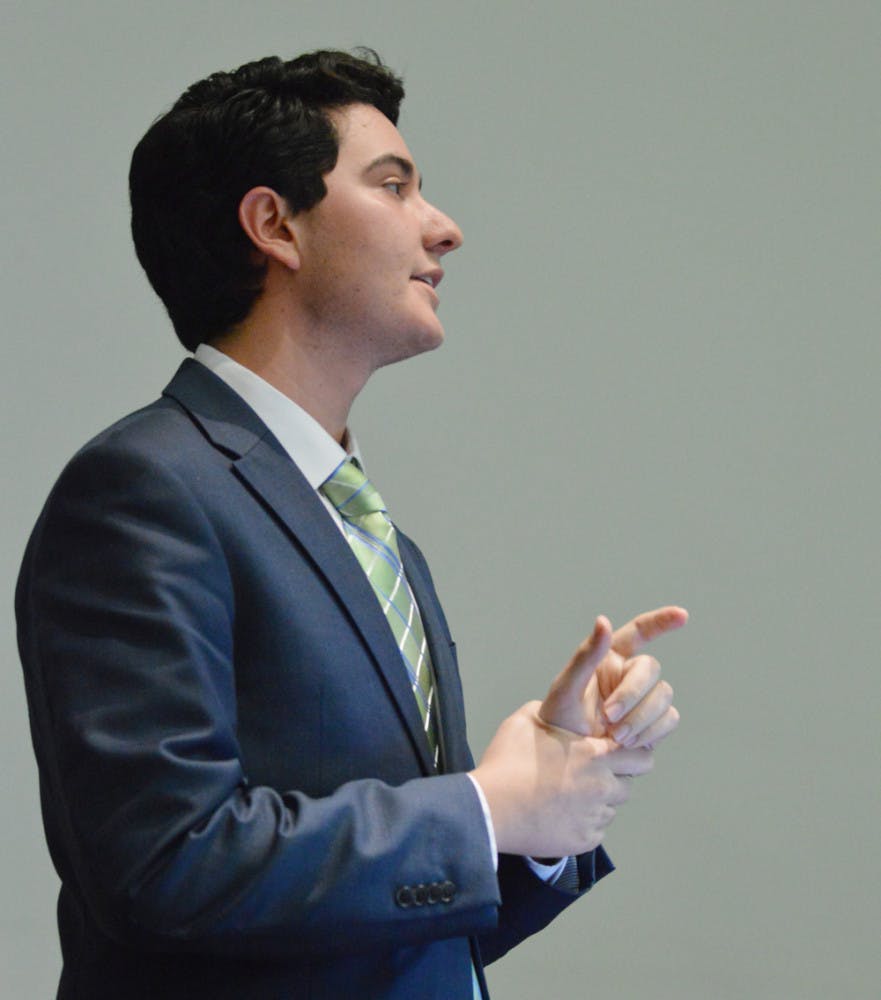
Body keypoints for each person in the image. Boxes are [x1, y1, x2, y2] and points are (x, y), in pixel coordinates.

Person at [15, 49, 687, 999]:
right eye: (393, 184)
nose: (444, 228)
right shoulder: (141, 492)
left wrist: (544, 799)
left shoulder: (370, 534)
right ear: (273, 224)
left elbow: (391, 925)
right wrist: (485, 808)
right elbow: (161, 867)